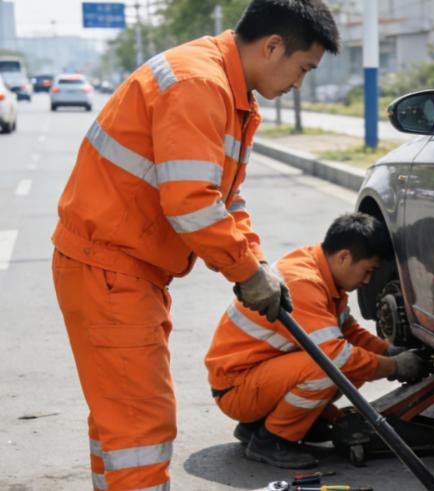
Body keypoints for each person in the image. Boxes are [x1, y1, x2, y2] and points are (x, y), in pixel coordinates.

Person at [51, 1, 338, 489]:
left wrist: (259, 263)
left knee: (119, 421)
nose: (300, 83)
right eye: (303, 68)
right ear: (272, 47)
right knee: (139, 423)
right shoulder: (199, 85)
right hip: (110, 270)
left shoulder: (228, 90)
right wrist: (247, 273)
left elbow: (225, 198)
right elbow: (190, 204)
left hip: (121, 270)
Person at [205, 213, 429, 469]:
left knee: (347, 359)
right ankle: (272, 440)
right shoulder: (304, 283)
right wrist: (397, 366)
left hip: (252, 378)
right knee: (329, 365)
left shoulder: (320, 269)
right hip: (237, 390)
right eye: (368, 271)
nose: (367, 280)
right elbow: (337, 356)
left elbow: (349, 331)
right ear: (344, 256)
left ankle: (259, 426)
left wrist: (389, 351)